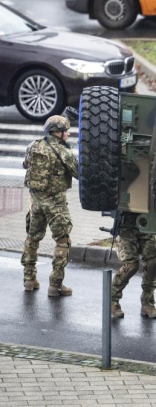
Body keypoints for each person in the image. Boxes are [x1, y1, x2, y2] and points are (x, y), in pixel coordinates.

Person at [21, 114, 78, 296]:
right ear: (58, 133)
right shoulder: (64, 152)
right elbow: (78, 173)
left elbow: (25, 165)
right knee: (63, 241)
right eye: (65, 131)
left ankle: (29, 279)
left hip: (35, 202)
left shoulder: (33, 146)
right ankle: (56, 285)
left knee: (32, 239)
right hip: (56, 205)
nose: (68, 134)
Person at [110, 213, 156, 319]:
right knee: (131, 265)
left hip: (145, 221)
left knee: (152, 263)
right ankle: (112, 300)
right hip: (125, 223)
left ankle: (147, 303)